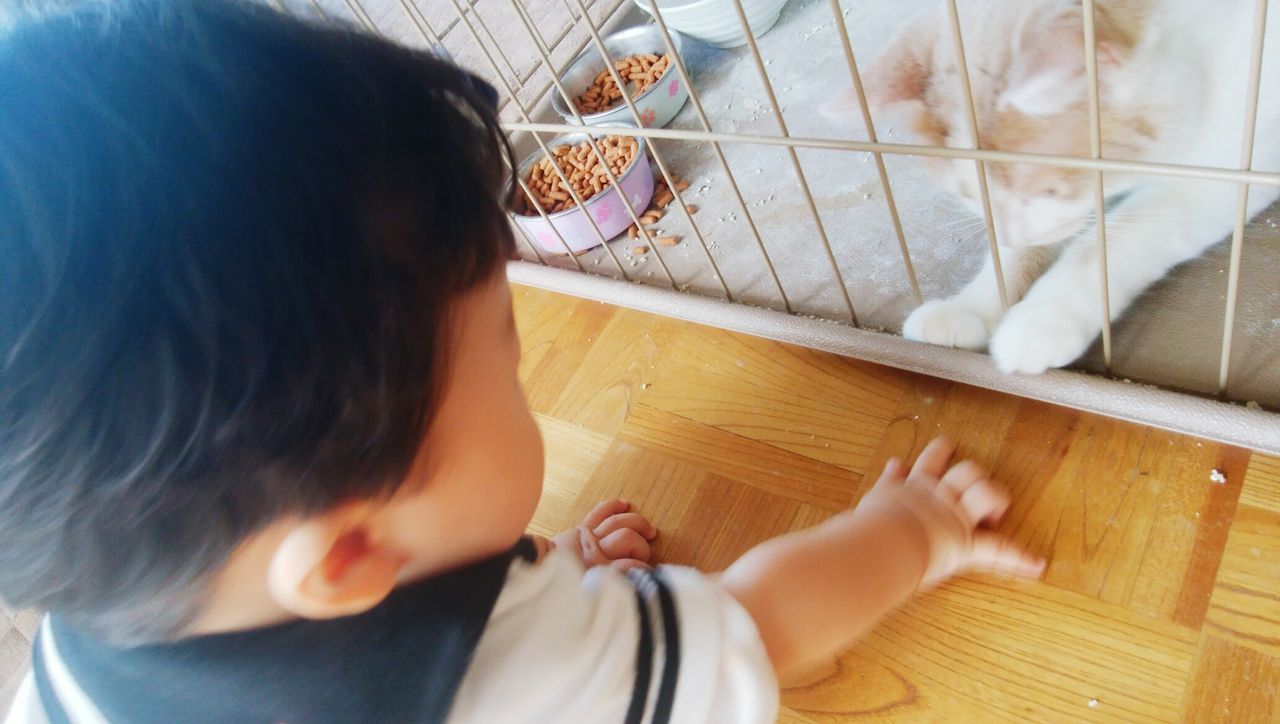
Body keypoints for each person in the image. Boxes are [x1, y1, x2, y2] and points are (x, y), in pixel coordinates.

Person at [0, 1, 1046, 721]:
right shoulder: (510, 679)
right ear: (351, 562)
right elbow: (755, 624)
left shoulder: (93, 636)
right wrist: (911, 532)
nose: (521, 365)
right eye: (505, 351)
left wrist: (553, 570)